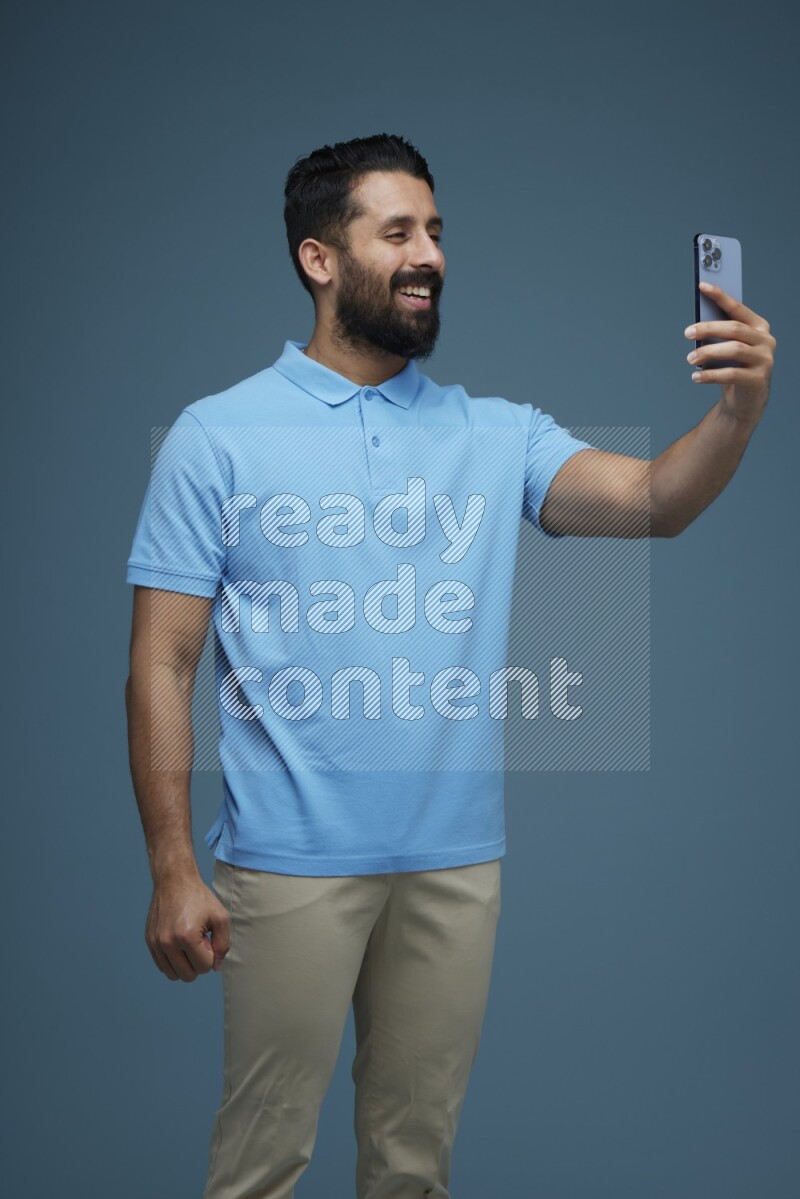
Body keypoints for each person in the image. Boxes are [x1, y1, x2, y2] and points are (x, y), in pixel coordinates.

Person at [124, 133, 776, 1198]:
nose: (427, 252)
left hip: (454, 865)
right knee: (257, 1169)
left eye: (434, 231)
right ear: (318, 259)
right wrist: (170, 865)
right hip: (284, 866)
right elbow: (161, 659)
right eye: (397, 232)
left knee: (414, 1169)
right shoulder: (218, 436)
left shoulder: (496, 432)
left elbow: (656, 499)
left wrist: (738, 410)